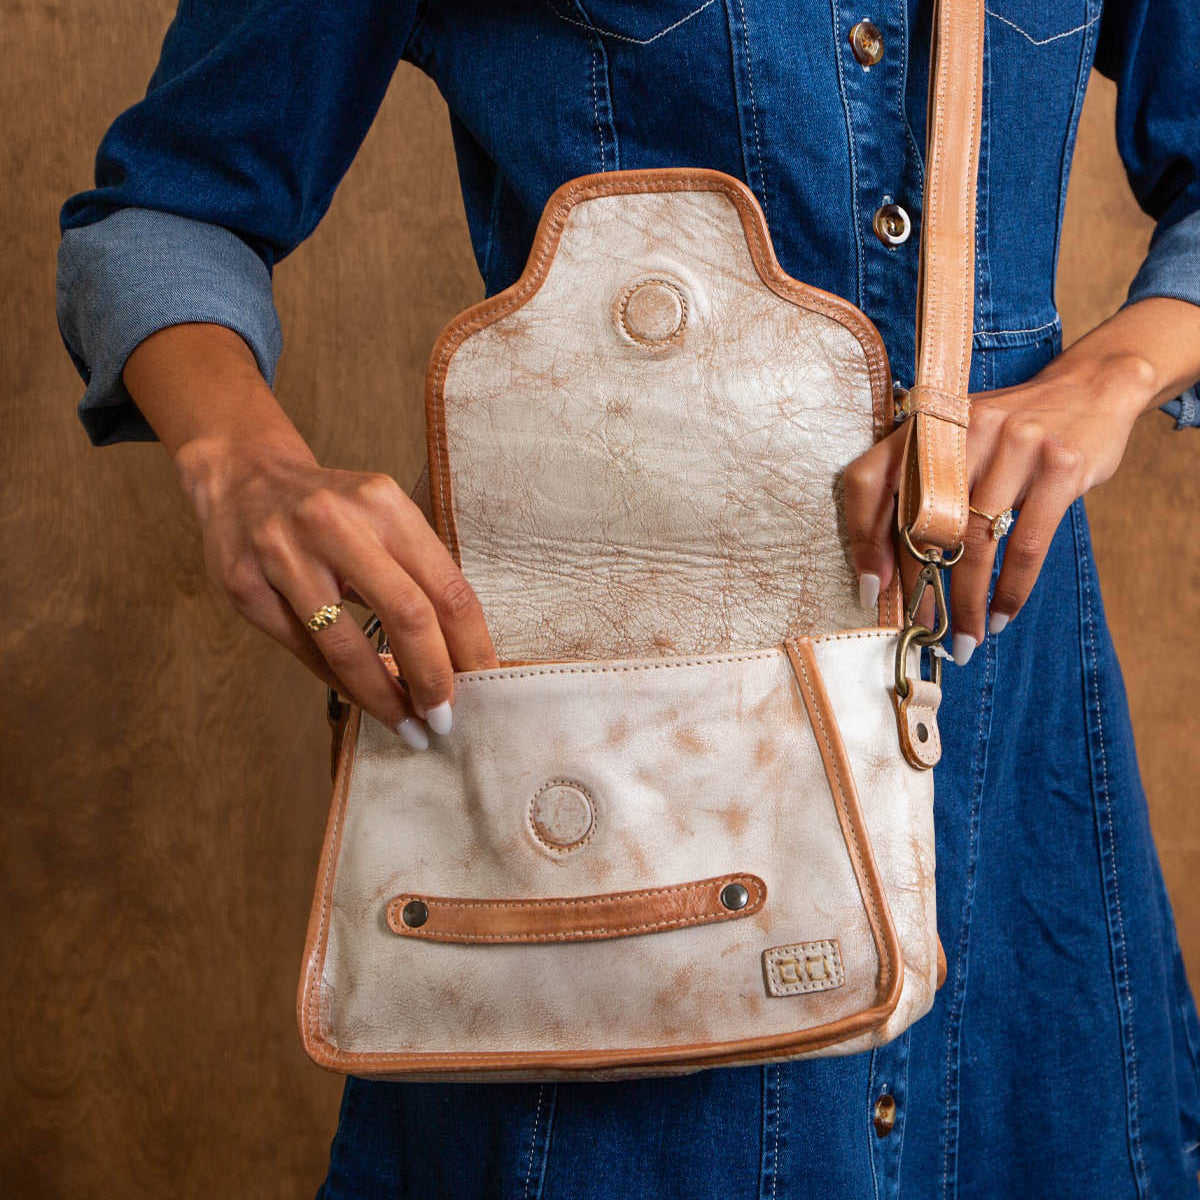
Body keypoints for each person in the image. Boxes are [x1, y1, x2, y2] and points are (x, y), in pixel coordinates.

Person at [55, 1, 1200, 1196]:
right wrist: (245, 464)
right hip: (625, 807)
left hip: (1011, 776)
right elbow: (164, 207)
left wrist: (1114, 375)